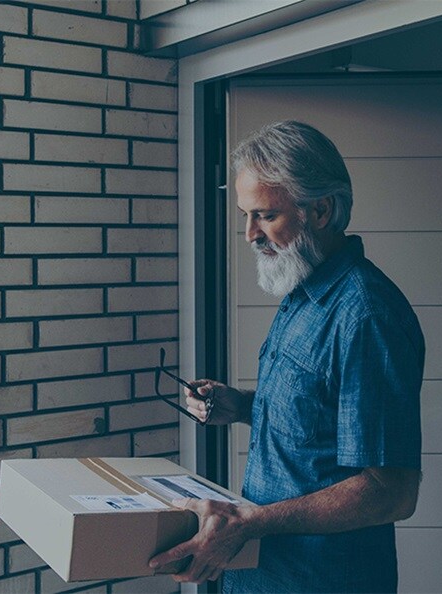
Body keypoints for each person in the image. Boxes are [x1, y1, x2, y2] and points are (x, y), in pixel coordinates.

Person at [148, 120, 425, 593]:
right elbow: (321, 421)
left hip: (322, 581)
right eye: (245, 215)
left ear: (320, 211)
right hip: (262, 575)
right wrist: (242, 406)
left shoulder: (367, 316)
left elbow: (389, 492)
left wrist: (248, 523)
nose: (250, 233)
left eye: (264, 216)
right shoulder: (301, 291)